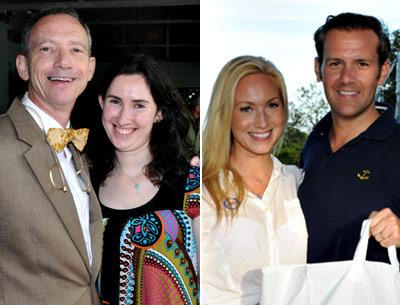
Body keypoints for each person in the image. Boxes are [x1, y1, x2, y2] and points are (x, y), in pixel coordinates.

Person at [0, 8, 102, 305]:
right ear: (23, 66)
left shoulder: (79, 149)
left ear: (90, 67)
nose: (64, 62)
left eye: (75, 50)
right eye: (46, 49)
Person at [87, 53, 200, 305]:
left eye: (139, 105)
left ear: (159, 112)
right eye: (115, 101)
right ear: (101, 102)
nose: (123, 117)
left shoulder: (191, 182)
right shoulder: (82, 182)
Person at [201, 55, 308, 304]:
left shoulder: (299, 183)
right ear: (226, 114)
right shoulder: (202, 190)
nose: (262, 121)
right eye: (246, 108)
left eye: (272, 105)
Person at [298, 12, 400, 264]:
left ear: (383, 72)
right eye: (335, 63)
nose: (346, 78)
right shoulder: (313, 142)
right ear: (318, 69)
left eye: (361, 64)